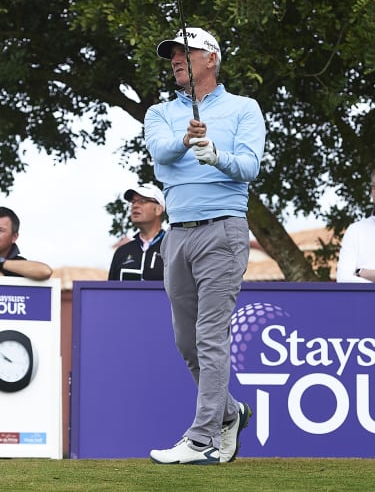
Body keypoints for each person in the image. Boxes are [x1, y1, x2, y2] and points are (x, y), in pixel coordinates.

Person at [144, 26, 265, 464]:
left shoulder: (244, 109)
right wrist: (184, 140)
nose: (176, 59)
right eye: (172, 54)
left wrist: (217, 155)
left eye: (185, 52)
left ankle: (202, 438)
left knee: (211, 336)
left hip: (223, 230)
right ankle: (230, 413)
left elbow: (250, 166)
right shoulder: (159, 113)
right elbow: (159, 156)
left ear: (210, 58)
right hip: (177, 234)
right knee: (185, 340)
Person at [108, 183, 167, 281]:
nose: (135, 205)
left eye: (142, 201)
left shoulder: (174, 248)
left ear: (158, 209)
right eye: (133, 202)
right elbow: (110, 292)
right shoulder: (122, 252)